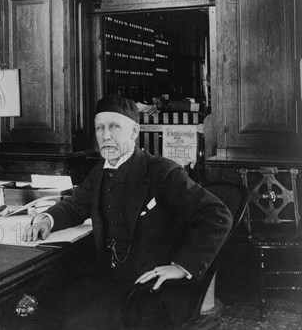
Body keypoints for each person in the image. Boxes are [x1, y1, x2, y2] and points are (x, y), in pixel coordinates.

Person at [22, 95, 232, 328]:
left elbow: (218, 215)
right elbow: (75, 206)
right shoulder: (100, 171)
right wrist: (46, 221)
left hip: (153, 287)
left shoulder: (162, 172)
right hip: (112, 278)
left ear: (134, 132)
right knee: (53, 308)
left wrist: (181, 267)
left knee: (77, 321)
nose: (106, 136)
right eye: (100, 128)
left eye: (114, 127)